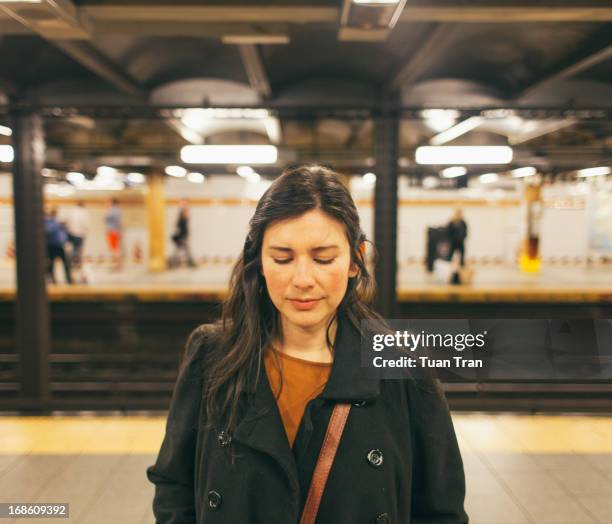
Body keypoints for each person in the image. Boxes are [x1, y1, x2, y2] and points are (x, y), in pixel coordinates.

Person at [146, 165, 468, 523]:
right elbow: (174, 485)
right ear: (259, 262)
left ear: (355, 259)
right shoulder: (211, 356)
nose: (302, 279)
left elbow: (441, 511)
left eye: (323, 259)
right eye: (282, 258)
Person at [45, 206, 73, 284]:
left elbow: (64, 234)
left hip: (60, 245)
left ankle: (68, 278)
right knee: (51, 263)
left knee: (66, 263)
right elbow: (48, 231)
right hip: (52, 246)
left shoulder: (58, 222)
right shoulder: (48, 222)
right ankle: (51, 279)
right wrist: (58, 225)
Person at [170, 200, 196, 268]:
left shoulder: (184, 214)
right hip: (180, 236)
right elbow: (177, 225)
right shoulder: (180, 214)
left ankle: (191, 263)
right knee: (179, 250)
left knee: (182, 250)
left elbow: (186, 223)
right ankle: (174, 263)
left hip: (183, 236)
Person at [64, 200, 90, 268]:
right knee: (77, 249)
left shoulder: (72, 211)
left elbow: (67, 221)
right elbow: (86, 224)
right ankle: (75, 263)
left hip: (70, 233)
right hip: (79, 234)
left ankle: (70, 262)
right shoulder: (84, 212)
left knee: (72, 249)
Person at [105, 198, 122, 270]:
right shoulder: (117, 210)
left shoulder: (113, 211)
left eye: (108, 202)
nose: (107, 204)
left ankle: (116, 265)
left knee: (114, 249)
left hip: (113, 231)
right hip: (115, 231)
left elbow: (113, 221)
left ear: (112, 203)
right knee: (115, 248)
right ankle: (116, 264)